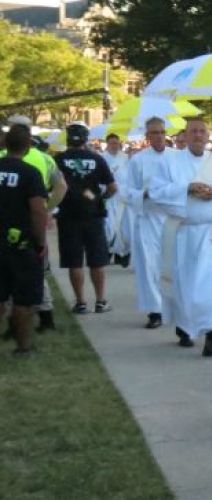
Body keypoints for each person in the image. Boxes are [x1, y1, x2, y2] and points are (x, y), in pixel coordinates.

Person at [148, 117, 212, 355]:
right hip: (182, 232)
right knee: (184, 285)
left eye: (202, 131)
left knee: (210, 286)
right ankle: (185, 327)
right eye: (193, 131)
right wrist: (187, 188)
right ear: (184, 135)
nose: (198, 135)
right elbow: (156, 192)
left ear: (208, 135)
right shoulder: (170, 162)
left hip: (211, 233)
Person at [54, 123, 116, 314]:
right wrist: (101, 199)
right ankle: (100, 300)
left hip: (67, 215)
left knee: (74, 261)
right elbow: (113, 187)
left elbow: (52, 186)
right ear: (85, 139)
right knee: (96, 260)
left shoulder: (58, 159)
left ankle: (81, 302)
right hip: (93, 214)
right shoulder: (96, 159)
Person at [0, 125, 48, 355]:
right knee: (23, 298)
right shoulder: (29, 173)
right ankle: (23, 346)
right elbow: (38, 209)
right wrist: (40, 241)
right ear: (28, 145)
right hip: (20, 243)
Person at [125, 118, 174, 329]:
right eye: (154, 132)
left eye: (162, 132)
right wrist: (142, 194)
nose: (159, 136)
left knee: (173, 265)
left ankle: (175, 307)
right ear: (147, 136)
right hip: (148, 218)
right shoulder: (138, 161)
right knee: (149, 265)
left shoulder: (176, 158)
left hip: (172, 218)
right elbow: (127, 191)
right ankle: (155, 310)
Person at [101, 133, 132, 267]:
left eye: (116, 143)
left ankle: (123, 256)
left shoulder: (126, 158)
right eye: (112, 143)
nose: (115, 146)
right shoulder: (101, 159)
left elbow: (130, 177)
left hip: (123, 199)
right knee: (109, 228)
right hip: (109, 198)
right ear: (107, 144)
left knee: (125, 230)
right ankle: (107, 253)